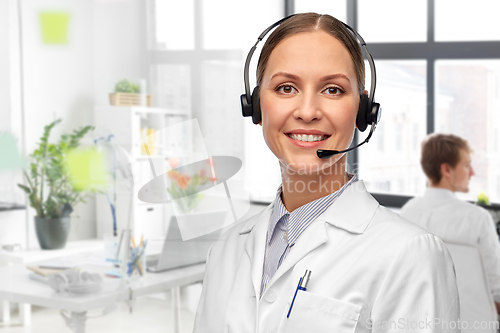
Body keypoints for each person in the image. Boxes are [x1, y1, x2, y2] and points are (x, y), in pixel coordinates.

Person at [194, 13, 459, 332]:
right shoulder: (225, 250)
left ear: (363, 111)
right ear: (256, 106)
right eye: (286, 87)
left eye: (332, 90)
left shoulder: (411, 254)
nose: (307, 112)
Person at [400, 133, 500, 314]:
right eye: (467, 165)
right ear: (447, 170)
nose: (472, 173)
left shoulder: (407, 213)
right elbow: (497, 290)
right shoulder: (478, 218)